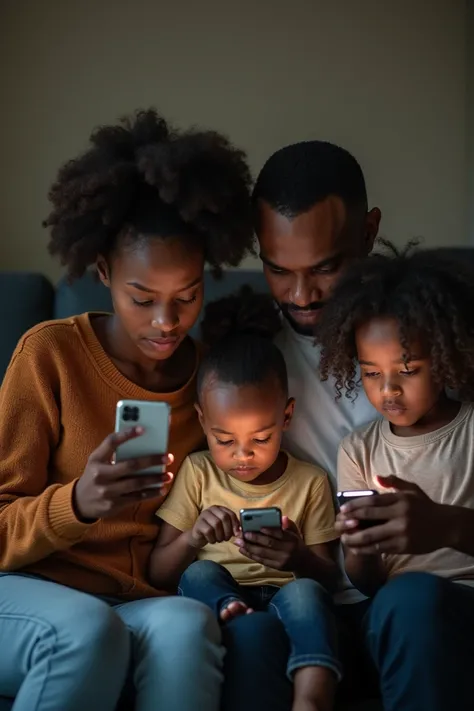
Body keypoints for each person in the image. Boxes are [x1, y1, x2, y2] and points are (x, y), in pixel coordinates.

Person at [0, 108, 257, 711]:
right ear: (104, 273)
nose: (167, 323)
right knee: (88, 631)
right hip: (28, 587)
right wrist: (78, 503)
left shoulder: (210, 378)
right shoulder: (51, 354)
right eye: (143, 299)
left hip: (137, 598)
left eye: (187, 296)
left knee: (189, 628)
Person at [149, 288, 341, 711]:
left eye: (261, 437)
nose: (242, 455)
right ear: (202, 419)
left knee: (308, 595)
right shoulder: (198, 471)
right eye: (223, 439)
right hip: (222, 590)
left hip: (287, 591)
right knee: (200, 576)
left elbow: (328, 575)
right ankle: (230, 609)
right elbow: (161, 571)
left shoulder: (309, 482)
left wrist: (298, 559)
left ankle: (312, 694)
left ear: (286, 417)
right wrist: (192, 538)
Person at [316, 243, 474, 711]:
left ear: (445, 357)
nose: (387, 390)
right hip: (399, 616)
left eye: (408, 370)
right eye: (370, 373)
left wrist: (442, 525)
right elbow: (368, 584)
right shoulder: (359, 449)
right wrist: (359, 552)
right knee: (406, 598)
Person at [253, 140, 381, 484]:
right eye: (278, 270)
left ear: (368, 233)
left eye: (324, 269)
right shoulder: (247, 349)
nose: (301, 296)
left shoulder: (436, 338)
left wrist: (448, 524)